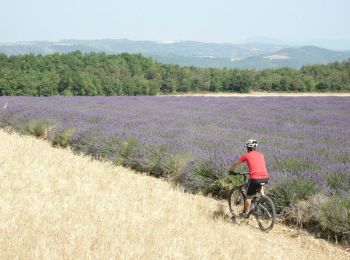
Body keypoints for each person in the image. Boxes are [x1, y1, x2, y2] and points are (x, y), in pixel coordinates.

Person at [229, 139, 269, 218]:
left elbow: (235, 164)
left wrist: (231, 171)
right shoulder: (261, 154)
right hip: (265, 177)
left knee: (248, 196)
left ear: (247, 147)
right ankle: (263, 198)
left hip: (255, 178)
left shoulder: (246, 155)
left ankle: (245, 213)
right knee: (260, 183)